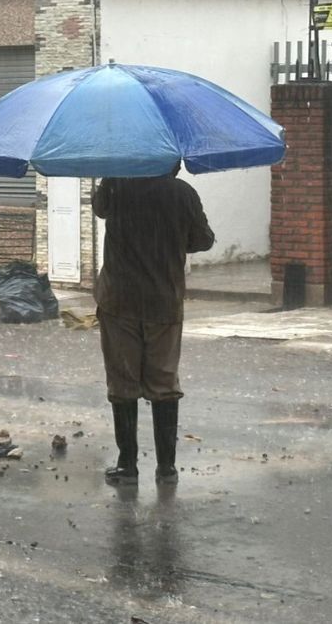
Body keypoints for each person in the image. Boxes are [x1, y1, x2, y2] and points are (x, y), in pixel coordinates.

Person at [92, 165, 215, 486]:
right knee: (163, 382)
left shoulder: (117, 182)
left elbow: (99, 208)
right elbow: (203, 240)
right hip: (164, 300)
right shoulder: (182, 193)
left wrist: (110, 169)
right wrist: (172, 238)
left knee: (123, 381)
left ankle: (128, 465)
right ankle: (166, 468)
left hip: (120, 300)